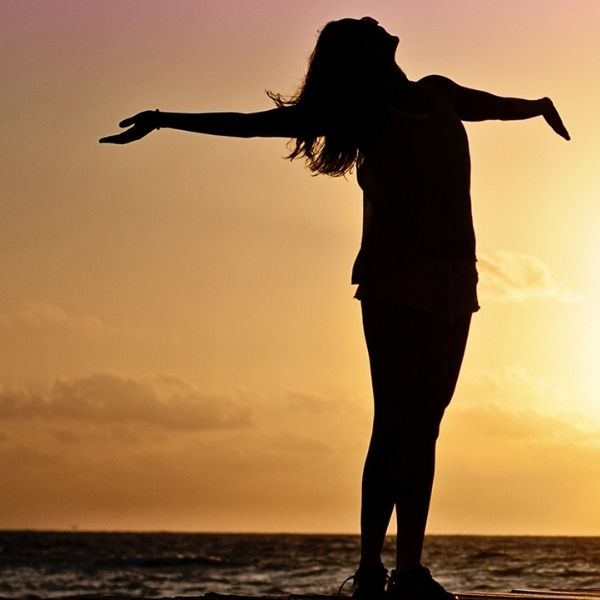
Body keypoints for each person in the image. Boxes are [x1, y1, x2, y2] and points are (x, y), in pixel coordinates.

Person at [100, 16, 569, 600]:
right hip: (394, 280)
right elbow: (252, 126)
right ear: (361, 55)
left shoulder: (438, 93)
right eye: (364, 27)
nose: (378, 22)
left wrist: (539, 105)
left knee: (425, 426)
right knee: (395, 421)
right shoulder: (363, 113)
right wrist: (166, 119)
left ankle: (408, 571)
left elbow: (494, 106)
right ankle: (375, 567)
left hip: (456, 281)